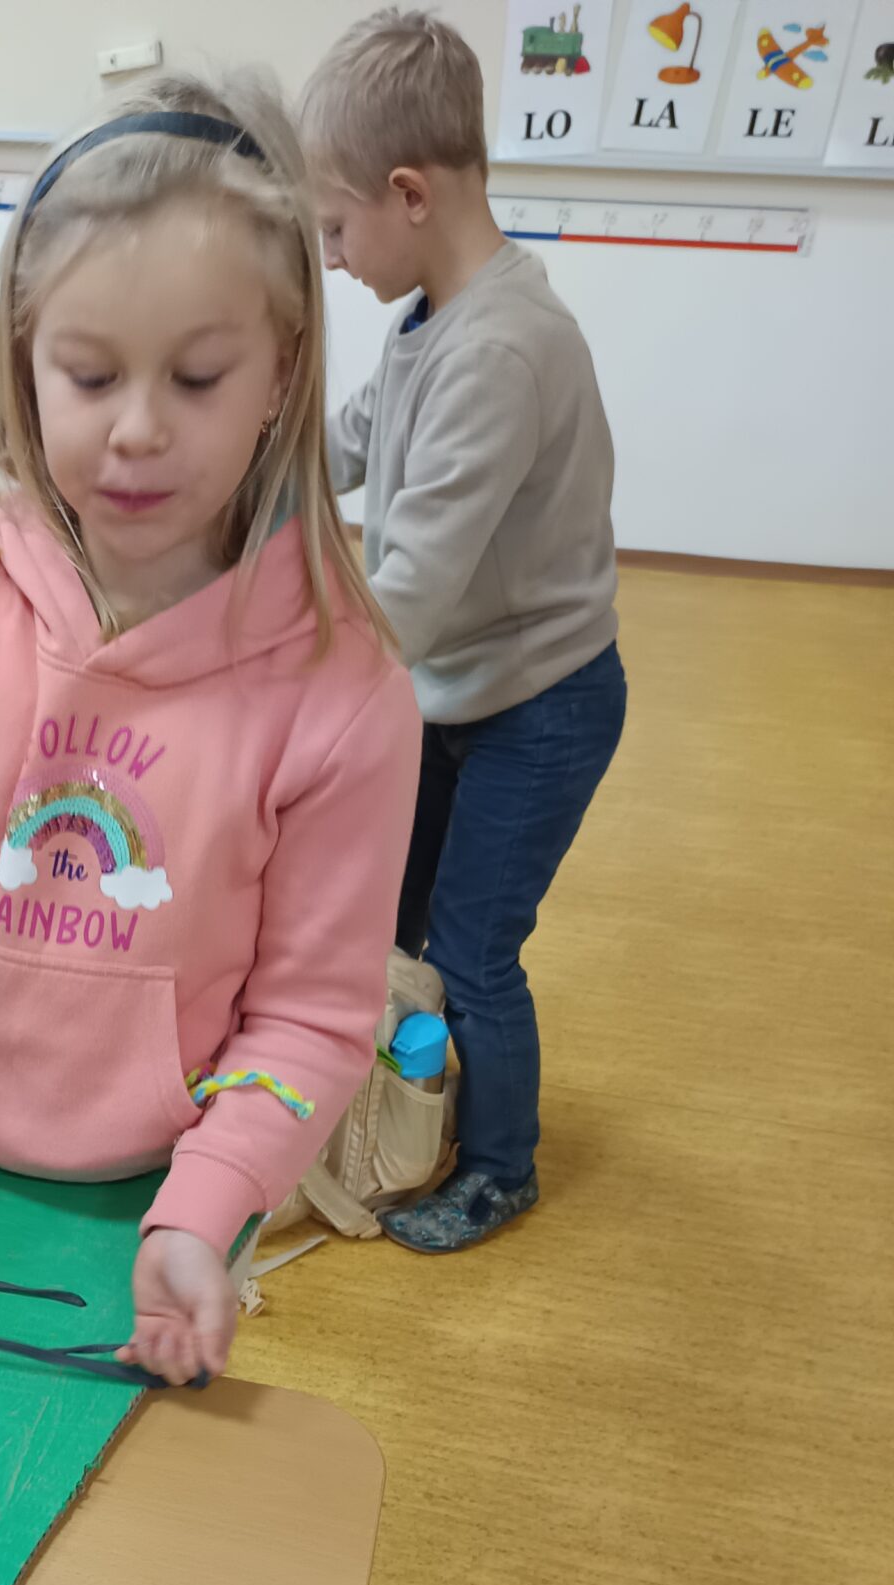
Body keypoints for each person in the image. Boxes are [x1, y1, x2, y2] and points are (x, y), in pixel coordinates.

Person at [0, 75, 420, 1383]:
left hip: (174, 1195)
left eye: (198, 376)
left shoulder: (346, 695)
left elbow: (311, 1017)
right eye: (88, 373)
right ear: (26, 358)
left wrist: (205, 1209)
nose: (136, 429)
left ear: (283, 369)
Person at [301, 10, 626, 1253]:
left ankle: (499, 1165)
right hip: (457, 689)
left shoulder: (504, 350)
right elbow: (351, 442)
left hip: (540, 707)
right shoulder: (429, 316)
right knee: (394, 919)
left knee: (477, 947)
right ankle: (405, 1105)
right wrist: (243, 469)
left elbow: (412, 589)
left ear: (407, 195)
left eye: (337, 229)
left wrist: (267, 665)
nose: (333, 256)